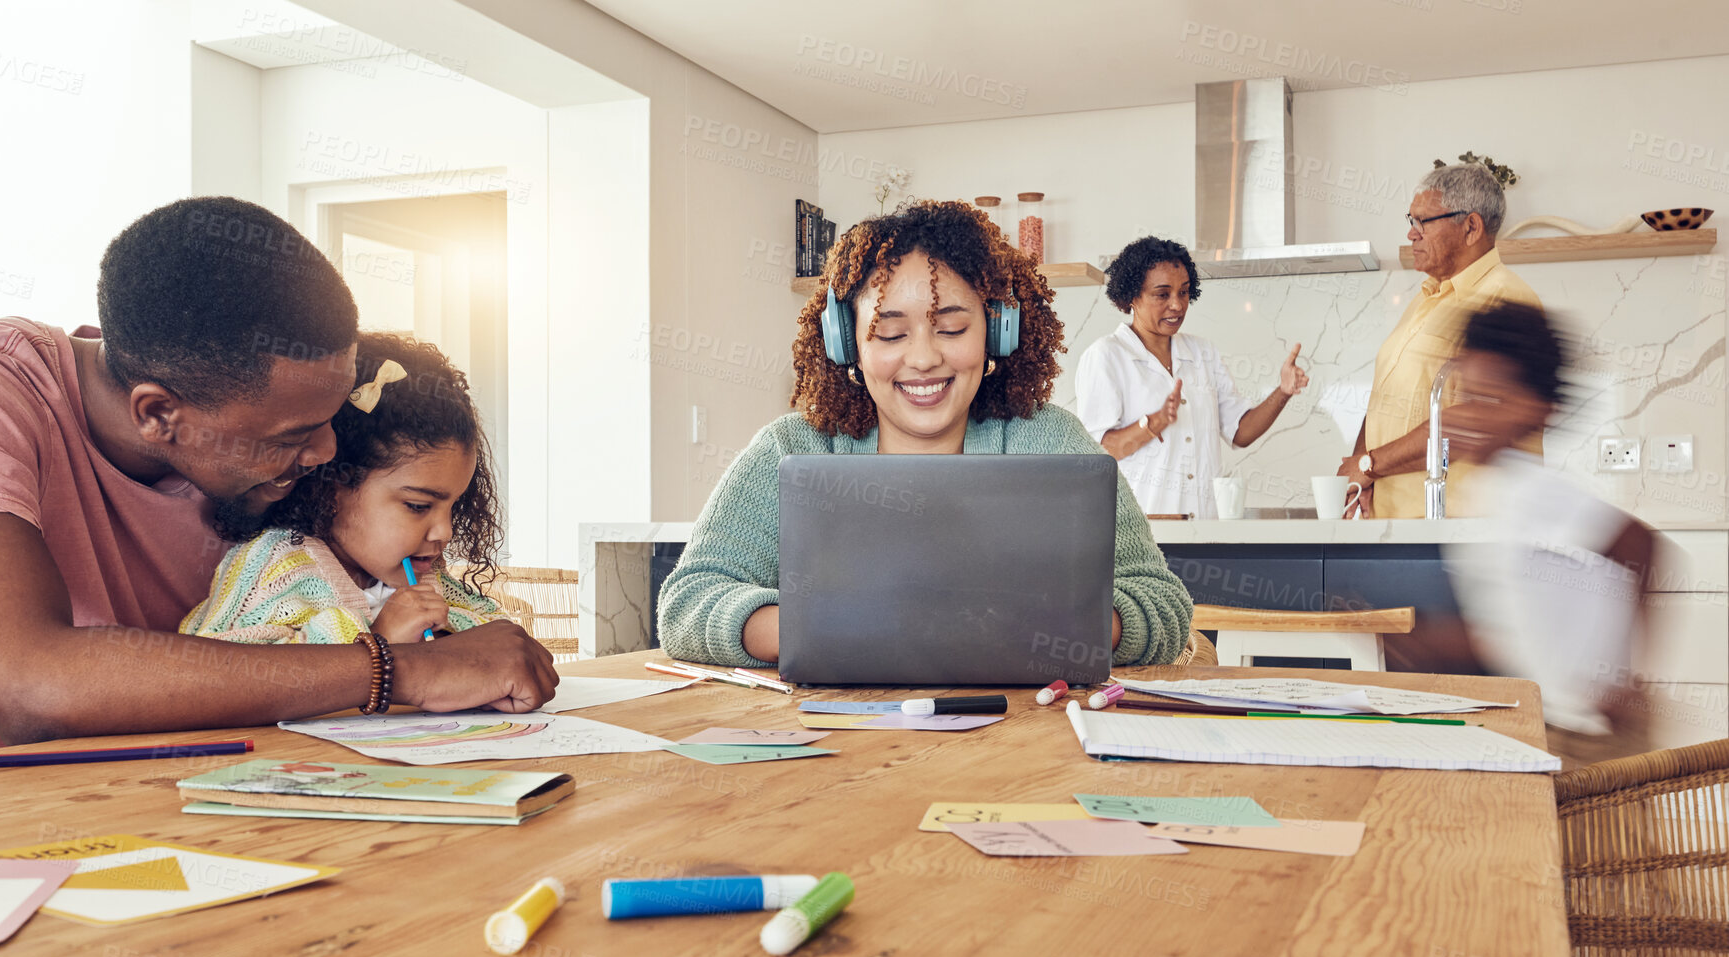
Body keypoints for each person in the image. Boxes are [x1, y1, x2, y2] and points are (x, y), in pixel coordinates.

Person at [0, 197, 556, 764]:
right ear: (160, 414)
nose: (324, 452)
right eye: (290, 437)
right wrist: (399, 671)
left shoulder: (239, 432)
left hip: (197, 807)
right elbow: (29, 685)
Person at [657, 199, 1193, 668]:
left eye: (953, 328)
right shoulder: (791, 449)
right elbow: (687, 603)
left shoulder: (1048, 439)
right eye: (889, 332)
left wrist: (1055, 631)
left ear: (998, 332)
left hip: (1018, 741)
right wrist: (839, 630)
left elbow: (1162, 603)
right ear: (848, 343)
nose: (923, 357)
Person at [1440, 301, 1658, 768]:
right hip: (1547, 722)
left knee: (1602, 841)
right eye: (1466, 394)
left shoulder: (1533, 489)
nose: (1470, 415)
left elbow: (1643, 545)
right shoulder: (1487, 488)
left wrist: (1625, 676)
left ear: (1541, 410)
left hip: (1591, 736)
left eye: (1491, 400)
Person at [181, 332, 504, 645]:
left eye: (454, 505)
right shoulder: (275, 563)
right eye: (418, 506)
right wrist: (379, 638)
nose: (444, 532)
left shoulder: (427, 576)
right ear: (333, 487)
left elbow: (494, 627)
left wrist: (445, 629)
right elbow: (229, 669)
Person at [1339, 163, 1542, 517]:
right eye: (1411, 220)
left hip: (1461, 532)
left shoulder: (1505, 301)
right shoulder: (1424, 299)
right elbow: (1382, 399)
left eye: (1423, 222)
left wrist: (1371, 464)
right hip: (1401, 528)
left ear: (1471, 227)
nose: (1411, 234)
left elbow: (1478, 422)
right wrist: (1361, 466)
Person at [1073, 237, 1308, 516]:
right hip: (1142, 532)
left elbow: (1241, 432)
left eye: (1183, 292)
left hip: (1204, 528)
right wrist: (1154, 422)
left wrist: (1282, 391)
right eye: (1163, 294)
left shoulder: (1202, 352)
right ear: (1132, 297)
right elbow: (1098, 455)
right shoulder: (1106, 356)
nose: (1177, 305)